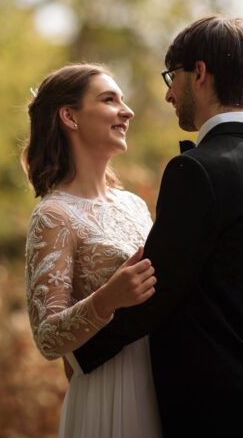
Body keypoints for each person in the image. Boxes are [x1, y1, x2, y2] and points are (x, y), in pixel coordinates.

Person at [68, 16, 243, 437]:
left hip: (209, 410)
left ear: (200, 73)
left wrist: (78, 352)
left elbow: (155, 287)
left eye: (171, 77)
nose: (167, 93)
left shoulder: (195, 171)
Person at [23, 63, 163, 438]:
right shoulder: (53, 215)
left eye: (123, 99)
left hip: (162, 379)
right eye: (109, 99)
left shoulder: (133, 204)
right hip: (106, 390)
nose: (127, 110)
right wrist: (109, 298)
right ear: (69, 116)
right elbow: (47, 338)